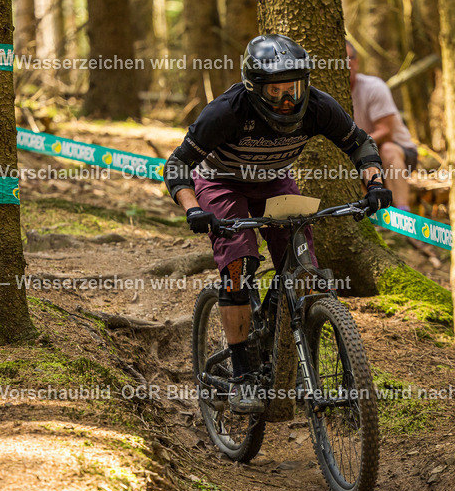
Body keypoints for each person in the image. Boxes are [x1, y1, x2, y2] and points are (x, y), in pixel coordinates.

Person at [163, 34, 393, 414]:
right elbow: (177, 165)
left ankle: (307, 371)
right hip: (221, 182)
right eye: (276, 92)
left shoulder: (319, 106)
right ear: (255, 89)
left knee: (304, 268)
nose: (288, 100)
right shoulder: (226, 112)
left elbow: (360, 144)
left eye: (294, 88)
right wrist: (192, 209)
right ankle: (240, 375)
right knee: (238, 265)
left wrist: (375, 183)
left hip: (274, 182)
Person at [347, 42, 419, 212]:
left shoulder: (373, 87)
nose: (344, 64)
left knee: (387, 149)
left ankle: (403, 214)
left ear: (356, 62)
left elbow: (386, 132)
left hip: (399, 152)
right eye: (338, 60)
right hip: (361, 157)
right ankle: (375, 216)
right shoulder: (328, 96)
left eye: (348, 59)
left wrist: (353, 145)